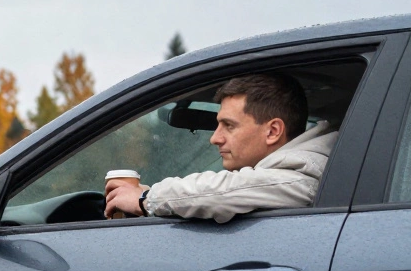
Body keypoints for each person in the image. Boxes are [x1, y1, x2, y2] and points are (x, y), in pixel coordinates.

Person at [104, 73, 338, 223]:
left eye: (228, 125)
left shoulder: (303, 173)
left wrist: (146, 198)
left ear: (273, 131)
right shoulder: (320, 164)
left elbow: (225, 190)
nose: (215, 139)